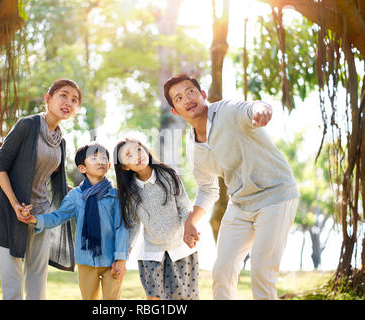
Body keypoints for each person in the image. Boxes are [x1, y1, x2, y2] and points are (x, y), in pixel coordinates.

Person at [163, 73, 299, 300]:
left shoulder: (226, 111)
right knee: (222, 271)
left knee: (262, 271)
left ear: (202, 94)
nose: (186, 98)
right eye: (178, 98)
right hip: (240, 205)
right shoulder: (192, 146)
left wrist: (261, 110)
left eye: (190, 92)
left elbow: (250, 107)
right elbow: (207, 188)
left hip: (276, 195)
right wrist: (190, 222)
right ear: (175, 111)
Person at [0, 79, 81, 300]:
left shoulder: (61, 141)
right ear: (47, 99)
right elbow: (0, 166)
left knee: (37, 282)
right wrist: (15, 205)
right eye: (63, 95)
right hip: (11, 212)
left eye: (74, 100)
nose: (68, 102)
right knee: (12, 284)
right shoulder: (27, 125)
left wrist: (84, 191)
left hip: (41, 215)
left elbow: (56, 183)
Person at [19, 142, 130, 300]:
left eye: (104, 158)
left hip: (111, 260)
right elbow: (58, 217)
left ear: (109, 165)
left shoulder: (116, 196)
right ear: (82, 168)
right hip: (85, 259)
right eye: (94, 158)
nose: (100, 162)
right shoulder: (75, 196)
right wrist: (35, 219)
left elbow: (122, 228)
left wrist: (121, 259)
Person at [113, 138, 199, 300]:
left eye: (138, 149)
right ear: (124, 166)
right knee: (154, 299)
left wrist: (190, 228)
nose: (137, 156)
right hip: (151, 253)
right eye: (129, 155)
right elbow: (133, 225)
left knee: (183, 299)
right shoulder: (130, 191)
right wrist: (122, 256)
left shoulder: (168, 175)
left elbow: (184, 207)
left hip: (180, 249)